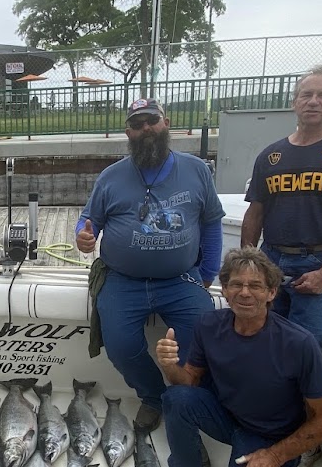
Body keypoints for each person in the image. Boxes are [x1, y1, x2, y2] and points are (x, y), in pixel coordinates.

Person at [149, 247, 322, 467]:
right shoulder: (209, 325)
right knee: (176, 397)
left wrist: (275, 456)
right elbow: (188, 383)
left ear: (272, 293)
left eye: (255, 285)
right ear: (224, 290)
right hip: (228, 418)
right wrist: (169, 366)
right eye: (236, 284)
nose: (245, 293)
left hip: (270, 438)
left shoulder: (298, 343)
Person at [241, 64, 322, 467]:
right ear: (294, 101)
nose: (313, 102)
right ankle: (269, 426)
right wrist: (248, 266)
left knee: (306, 355)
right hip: (272, 263)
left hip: (317, 262)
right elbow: (256, 211)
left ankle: (308, 440)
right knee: (263, 346)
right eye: (306, 95)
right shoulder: (271, 156)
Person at [76, 98, 225, 432]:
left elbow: (212, 222)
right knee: (121, 347)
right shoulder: (110, 176)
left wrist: (208, 273)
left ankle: (189, 398)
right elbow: (88, 220)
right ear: (127, 131)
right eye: (137, 123)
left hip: (181, 279)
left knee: (204, 338)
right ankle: (153, 396)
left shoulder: (197, 169)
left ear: (166, 123)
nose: (146, 129)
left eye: (151, 121)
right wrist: (83, 238)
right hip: (122, 280)